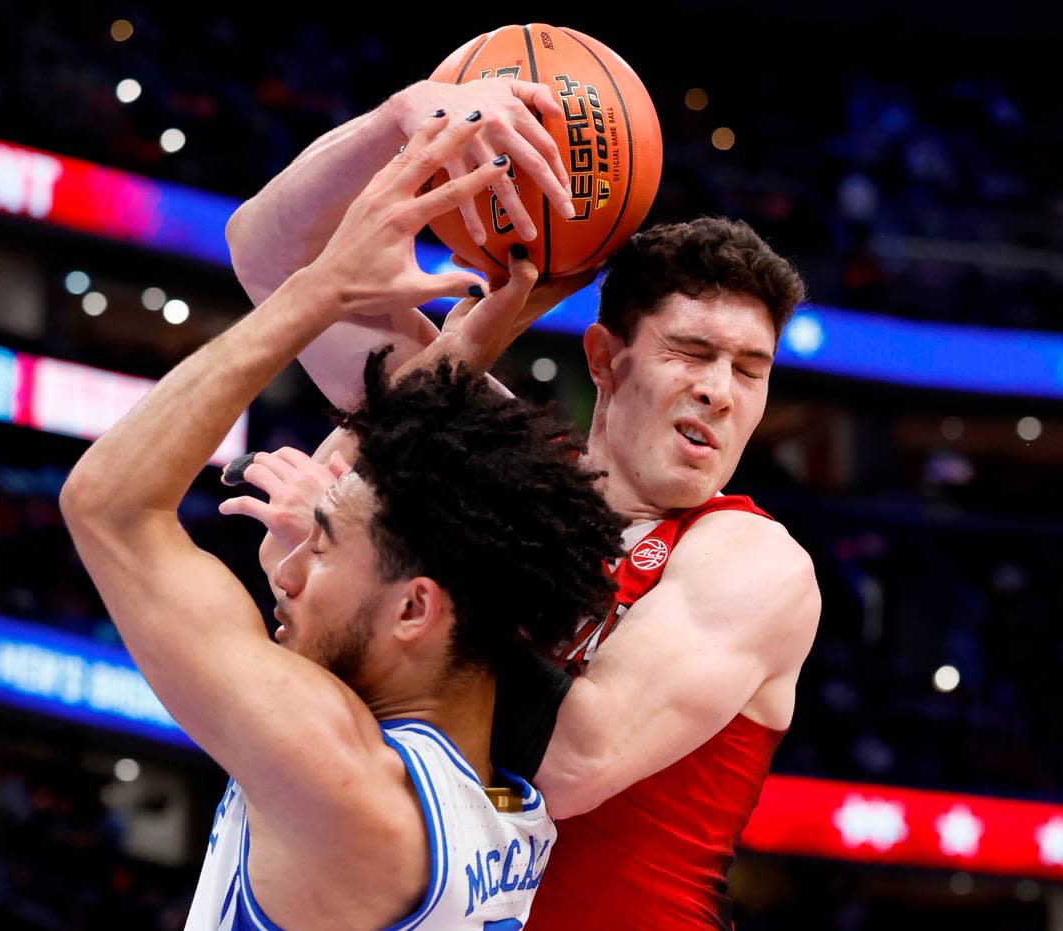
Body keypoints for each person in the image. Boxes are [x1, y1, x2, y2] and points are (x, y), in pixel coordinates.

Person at [227, 78, 821, 929]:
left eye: (749, 369)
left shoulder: (753, 559)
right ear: (606, 357)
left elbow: (574, 761)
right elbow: (267, 250)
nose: (720, 392)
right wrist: (397, 122)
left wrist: (370, 568)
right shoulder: (498, 466)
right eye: (692, 352)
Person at [59, 113, 627, 931]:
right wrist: (476, 336)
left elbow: (108, 508)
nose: (283, 570)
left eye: (319, 551)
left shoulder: (338, 774)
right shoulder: (500, 796)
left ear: (413, 609)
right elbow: (387, 478)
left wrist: (320, 291)